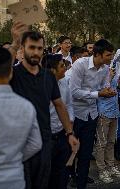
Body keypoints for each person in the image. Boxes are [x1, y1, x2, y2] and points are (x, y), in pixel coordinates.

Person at [8, 22, 78, 189]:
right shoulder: (14, 74)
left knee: (43, 183)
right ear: (23, 49)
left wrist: (69, 133)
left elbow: (59, 105)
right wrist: (14, 43)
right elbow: (2, 69)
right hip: (19, 143)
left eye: (40, 48)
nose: (36, 52)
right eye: (31, 47)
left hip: (44, 142)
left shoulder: (48, 76)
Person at [0, 47, 42, 189]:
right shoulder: (26, 106)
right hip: (15, 179)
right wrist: (13, 157)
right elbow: (36, 144)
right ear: (11, 73)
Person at [69, 39, 116, 189]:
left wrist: (108, 90)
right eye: (108, 55)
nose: (111, 58)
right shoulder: (80, 65)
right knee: (70, 152)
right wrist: (98, 94)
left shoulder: (104, 69)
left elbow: (103, 87)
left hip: (92, 115)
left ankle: (81, 183)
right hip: (75, 115)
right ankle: (70, 178)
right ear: (97, 54)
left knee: (86, 154)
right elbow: (74, 92)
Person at [95, 35, 120, 183]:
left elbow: (116, 87)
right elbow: (99, 91)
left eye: (111, 55)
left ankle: (111, 166)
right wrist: (109, 78)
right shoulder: (97, 71)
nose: (110, 58)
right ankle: (102, 170)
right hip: (103, 112)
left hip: (114, 111)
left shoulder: (112, 67)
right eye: (108, 55)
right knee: (101, 143)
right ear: (100, 55)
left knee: (111, 142)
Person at [41, 54, 73, 189]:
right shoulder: (40, 87)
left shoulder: (64, 82)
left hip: (63, 135)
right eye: (61, 66)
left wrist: (69, 125)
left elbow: (69, 105)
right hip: (45, 138)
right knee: (44, 176)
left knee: (62, 174)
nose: (65, 68)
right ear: (52, 70)